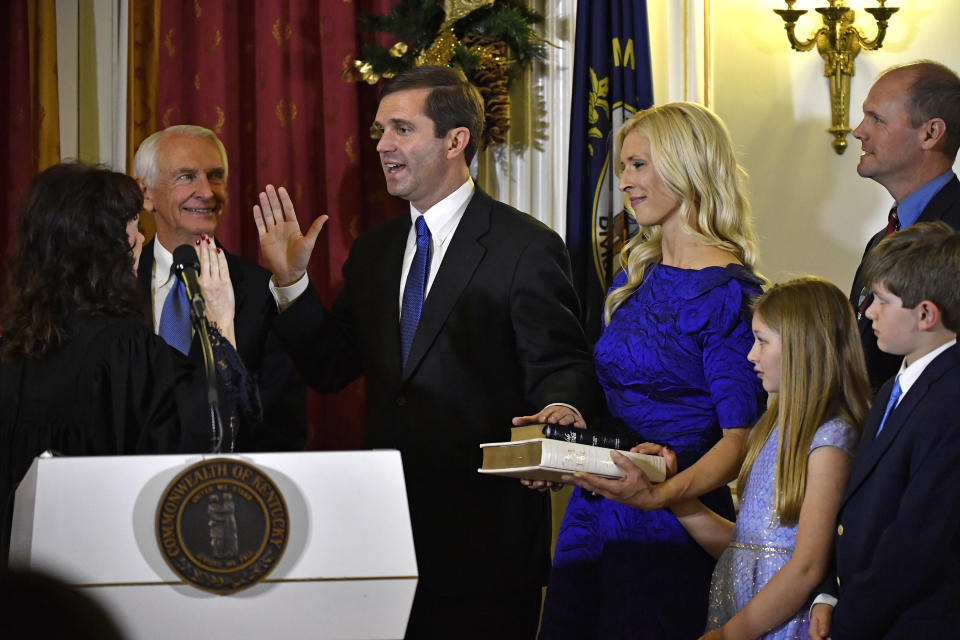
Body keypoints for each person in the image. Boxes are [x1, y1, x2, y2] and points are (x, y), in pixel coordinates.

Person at [251, 65, 598, 638]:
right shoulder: (374, 252)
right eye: (379, 131)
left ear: (455, 140)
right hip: (382, 542)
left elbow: (560, 365)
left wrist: (561, 416)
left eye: (401, 129)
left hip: (486, 547)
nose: (382, 145)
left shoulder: (524, 246)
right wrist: (292, 284)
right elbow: (333, 367)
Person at [540, 102, 768, 639]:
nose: (624, 181)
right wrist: (561, 431)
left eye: (638, 165)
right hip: (594, 515)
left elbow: (739, 440)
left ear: (687, 166)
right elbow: (611, 395)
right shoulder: (634, 278)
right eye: (622, 167)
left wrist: (662, 496)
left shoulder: (730, 294)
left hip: (675, 524)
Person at [0, 163, 252, 563]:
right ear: (99, 244)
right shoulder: (122, 348)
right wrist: (220, 321)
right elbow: (204, 441)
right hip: (96, 573)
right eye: (130, 225)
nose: (140, 238)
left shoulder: (14, 344)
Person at [659, 277, 868, 640]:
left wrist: (730, 635)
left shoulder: (831, 439)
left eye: (762, 341)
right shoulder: (769, 430)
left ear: (803, 348)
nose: (750, 355)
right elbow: (746, 547)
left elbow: (806, 566)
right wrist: (676, 496)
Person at [810, 222, 960, 639]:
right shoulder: (892, 388)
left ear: (926, 314)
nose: (868, 312)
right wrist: (829, 593)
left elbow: (915, 543)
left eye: (880, 300)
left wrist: (849, 623)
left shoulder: (950, 402)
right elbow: (855, 507)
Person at [134, 125, 305, 452]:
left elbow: (283, 425)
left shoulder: (262, 291)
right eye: (186, 176)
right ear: (146, 194)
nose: (207, 192)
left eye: (215, 176)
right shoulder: (114, 284)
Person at [848, 60, 960, 392]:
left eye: (876, 119)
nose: (858, 131)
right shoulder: (881, 241)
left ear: (930, 133)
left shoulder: (954, 236)